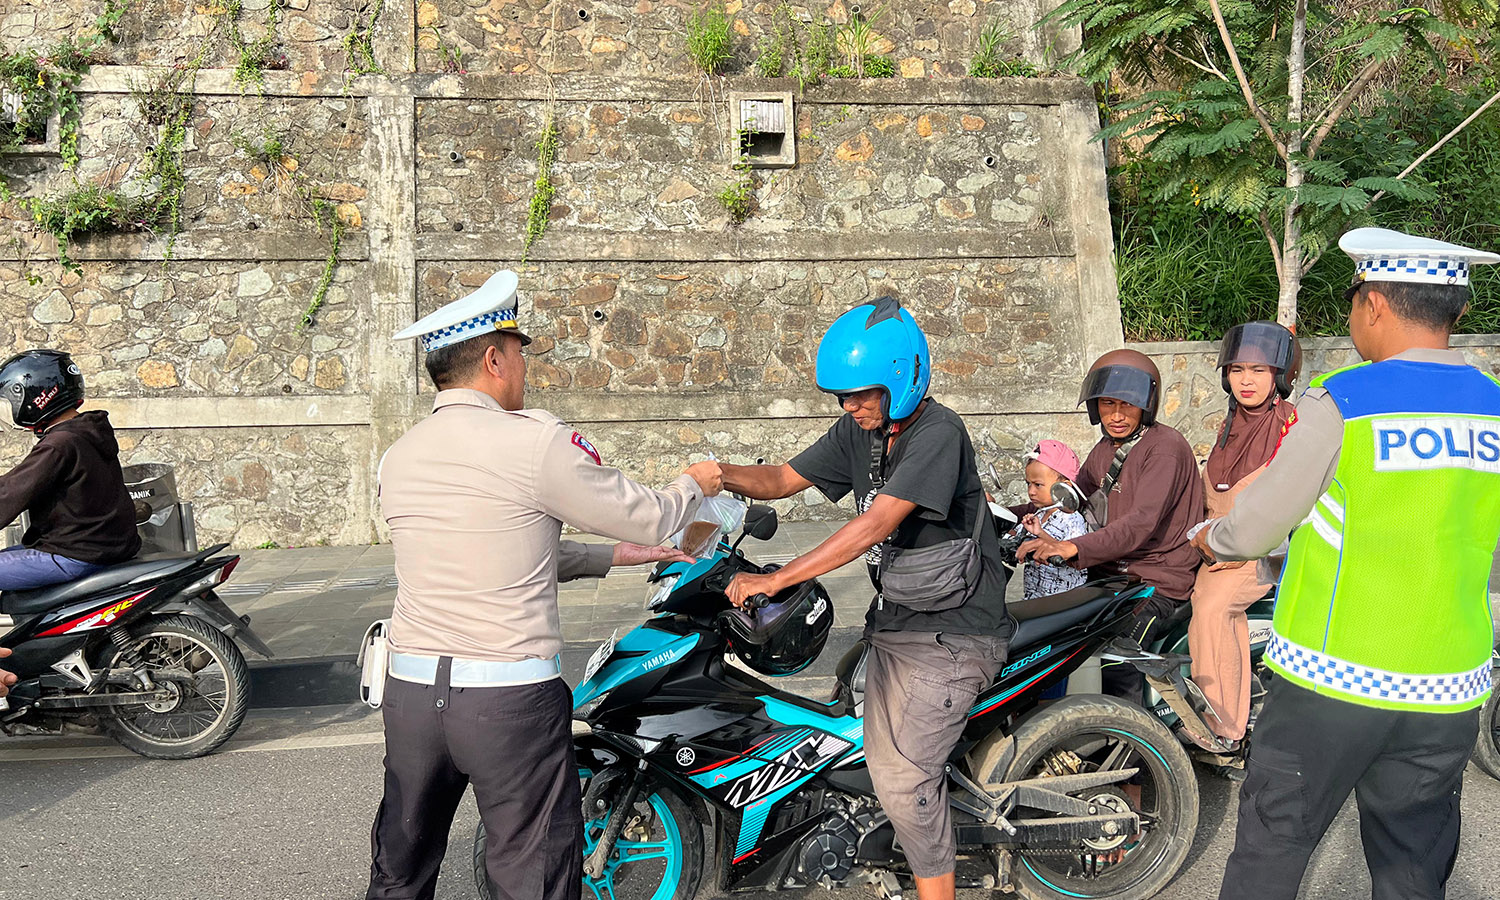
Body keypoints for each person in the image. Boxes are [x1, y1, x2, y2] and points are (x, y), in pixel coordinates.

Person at [367, 270, 723, 900]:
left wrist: (613, 555)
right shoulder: (533, 442)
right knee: (530, 872)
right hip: (507, 700)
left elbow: (496, 547)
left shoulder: (399, 456)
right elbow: (656, 512)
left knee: (401, 866)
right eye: (520, 353)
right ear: (494, 357)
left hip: (412, 695)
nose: (525, 370)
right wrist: (696, 482)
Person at [1192, 228, 1500, 900]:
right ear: (1458, 311)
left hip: (1334, 682)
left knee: (1274, 844)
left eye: (1354, 300)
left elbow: (1257, 527)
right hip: (1448, 684)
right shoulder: (1495, 407)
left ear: (1377, 305)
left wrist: (1209, 539)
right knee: (1412, 863)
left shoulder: (1348, 401)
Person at [718, 296, 1011, 900]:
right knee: (856, 745)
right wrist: (712, 474)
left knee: (905, 781)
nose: (850, 408)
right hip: (898, 622)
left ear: (902, 379)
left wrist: (776, 579)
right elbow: (779, 480)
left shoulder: (939, 431)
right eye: (842, 398)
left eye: (862, 395)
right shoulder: (859, 431)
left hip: (955, 635)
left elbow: (874, 525)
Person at [1018, 349, 1203, 701]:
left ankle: (1132, 744)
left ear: (1146, 405)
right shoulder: (1107, 449)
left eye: (1127, 406)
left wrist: (1074, 547)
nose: (1116, 415)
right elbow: (1071, 497)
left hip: (1156, 582)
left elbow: (1140, 523)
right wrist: (1007, 513)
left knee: (1117, 659)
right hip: (1113, 576)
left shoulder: (1164, 448)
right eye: (1107, 404)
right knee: (1050, 635)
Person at [1188, 321, 1299, 746]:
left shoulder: (1293, 426)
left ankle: (1223, 725)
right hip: (1213, 546)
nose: (1246, 380)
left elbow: (1291, 506)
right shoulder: (1230, 425)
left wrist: (1234, 543)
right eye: (1237, 370)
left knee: (1214, 607)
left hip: (1262, 553)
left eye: (1258, 369)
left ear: (1279, 375)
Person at [0, 349, 141, 590]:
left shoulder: (60, 444)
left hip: (75, 554)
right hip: (99, 547)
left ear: (33, 398)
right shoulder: (87, 431)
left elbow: (11, 493)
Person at [1017, 440, 1087, 601]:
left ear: (1065, 487)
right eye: (1028, 484)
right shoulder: (1039, 514)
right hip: (1036, 593)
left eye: (1038, 485)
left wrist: (1041, 533)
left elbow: (1069, 552)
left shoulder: (1072, 518)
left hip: (1061, 599)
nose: (1031, 491)